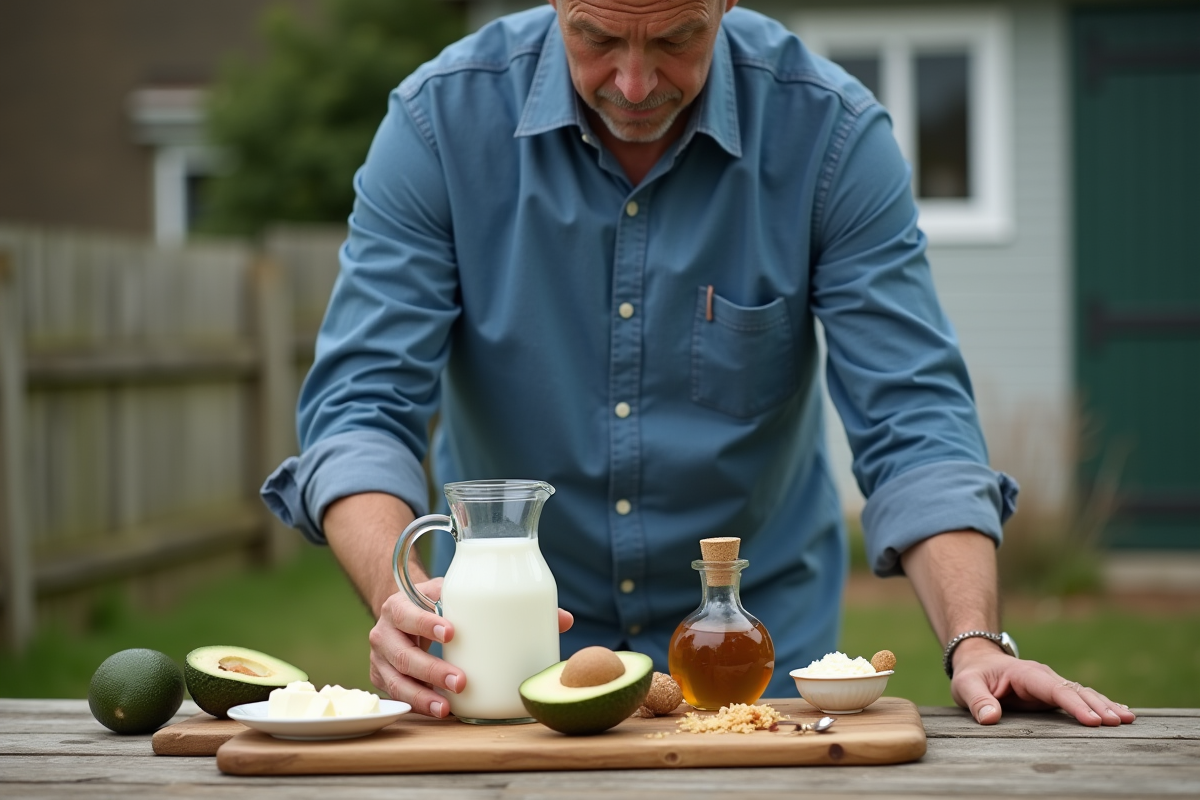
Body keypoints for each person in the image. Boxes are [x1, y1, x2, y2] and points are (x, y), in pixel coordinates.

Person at [262, 0, 1134, 728]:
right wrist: (402, 593)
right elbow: (359, 413)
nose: (633, 84)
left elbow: (916, 423)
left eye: (676, 38)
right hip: (502, 666)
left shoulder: (831, 136)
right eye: (596, 37)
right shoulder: (436, 127)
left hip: (763, 665)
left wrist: (974, 640)